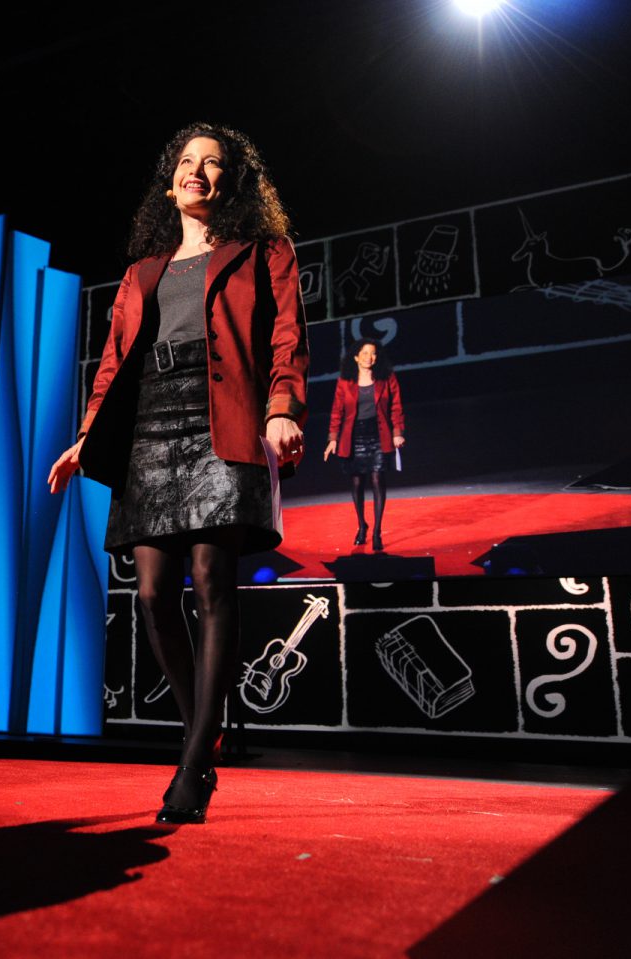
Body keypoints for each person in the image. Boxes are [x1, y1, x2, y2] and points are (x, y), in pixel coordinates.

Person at [48, 123, 308, 824]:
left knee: (211, 578)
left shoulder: (265, 251)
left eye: (213, 162)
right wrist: (87, 436)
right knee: (152, 594)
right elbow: (113, 364)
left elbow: (287, 336)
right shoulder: (141, 273)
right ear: (170, 184)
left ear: (232, 182)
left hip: (222, 415)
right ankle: (205, 730)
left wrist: (281, 408)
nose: (198, 170)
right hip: (150, 426)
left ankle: (193, 763)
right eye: (187, 161)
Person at [323, 339, 404, 552]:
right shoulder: (345, 381)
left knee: (377, 479)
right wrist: (333, 438)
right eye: (365, 353)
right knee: (357, 483)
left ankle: (377, 531)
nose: (370, 357)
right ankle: (362, 525)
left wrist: (397, 433)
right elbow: (337, 410)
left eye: (373, 353)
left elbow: (396, 406)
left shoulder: (386, 377)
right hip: (354, 437)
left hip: (379, 434)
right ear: (356, 357)